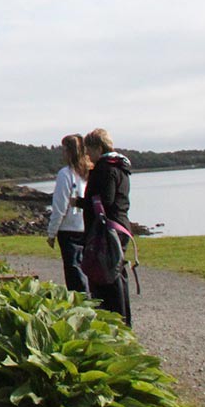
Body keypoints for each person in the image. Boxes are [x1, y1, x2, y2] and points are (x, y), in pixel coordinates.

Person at [81, 127, 133, 325]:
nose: (87, 155)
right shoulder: (121, 168)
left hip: (107, 230)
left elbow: (106, 201)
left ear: (97, 147)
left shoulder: (105, 169)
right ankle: (124, 322)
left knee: (106, 279)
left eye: (89, 150)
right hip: (121, 226)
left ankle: (115, 322)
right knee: (118, 273)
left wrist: (82, 202)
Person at [46, 133, 91, 293]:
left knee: (74, 272)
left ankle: (81, 305)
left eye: (64, 150)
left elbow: (60, 206)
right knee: (88, 269)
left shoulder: (65, 174)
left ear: (70, 152)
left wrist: (52, 233)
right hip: (87, 227)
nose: (62, 154)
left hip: (69, 230)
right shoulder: (88, 173)